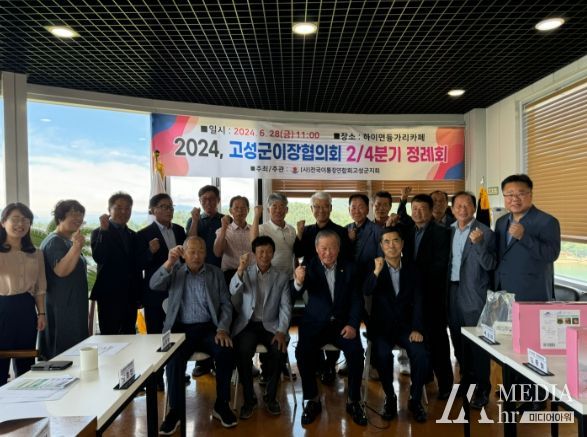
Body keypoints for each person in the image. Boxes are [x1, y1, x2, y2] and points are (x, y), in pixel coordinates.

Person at [151, 236, 236, 433]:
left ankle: (222, 405)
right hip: (181, 329)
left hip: (209, 328)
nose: (196, 256)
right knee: (173, 358)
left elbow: (226, 304)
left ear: (206, 253)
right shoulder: (175, 272)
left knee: (225, 351)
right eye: (192, 252)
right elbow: (154, 284)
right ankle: (175, 411)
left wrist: (222, 328)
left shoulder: (215, 273)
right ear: (184, 254)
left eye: (200, 252)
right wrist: (169, 262)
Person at [293, 230, 366, 427]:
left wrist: (353, 324)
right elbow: (294, 293)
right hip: (315, 324)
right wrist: (298, 282)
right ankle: (312, 399)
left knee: (356, 353)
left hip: (343, 325)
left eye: (332, 248)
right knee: (303, 353)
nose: (328, 252)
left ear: (339, 248)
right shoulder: (308, 267)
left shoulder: (350, 268)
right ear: (317, 249)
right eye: (323, 248)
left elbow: (357, 300)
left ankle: (353, 400)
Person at [363, 227, 429, 422]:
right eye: (386, 241)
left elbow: (419, 301)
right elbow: (366, 291)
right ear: (381, 245)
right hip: (381, 328)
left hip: (407, 327)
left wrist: (417, 328)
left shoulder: (413, 268)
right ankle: (390, 397)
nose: (391, 245)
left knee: (420, 353)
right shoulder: (373, 266)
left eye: (395, 241)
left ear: (402, 244)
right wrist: (376, 272)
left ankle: (415, 399)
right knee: (383, 354)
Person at [230, 236, 291, 419]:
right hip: (248, 324)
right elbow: (233, 293)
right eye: (260, 252)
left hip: (271, 325)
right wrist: (240, 271)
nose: (265, 255)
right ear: (254, 254)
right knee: (242, 352)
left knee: (279, 351)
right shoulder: (245, 272)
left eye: (268, 251)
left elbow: (286, 306)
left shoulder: (281, 277)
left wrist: (281, 330)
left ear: (273, 253)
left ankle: (271, 397)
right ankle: (249, 399)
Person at [293, 191, 350, 384]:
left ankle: (330, 364)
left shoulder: (340, 231)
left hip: (335, 282)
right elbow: (298, 253)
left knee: (335, 321)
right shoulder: (307, 230)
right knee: (315, 322)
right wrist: (299, 234)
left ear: (331, 208)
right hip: (312, 283)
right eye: (316, 207)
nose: (321, 210)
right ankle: (318, 363)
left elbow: (346, 258)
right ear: (311, 209)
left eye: (325, 206)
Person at [402, 194, 453, 399]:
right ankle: (426, 376)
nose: (418, 212)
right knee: (420, 339)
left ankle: (446, 385)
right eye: (414, 208)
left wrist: (414, 277)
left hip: (433, 294)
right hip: (412, 296)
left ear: (431, 211)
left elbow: (441, 264)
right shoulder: (407, 231)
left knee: (438, 340)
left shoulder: (442, 233)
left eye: (422, 208)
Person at [448, 192, 496, 409]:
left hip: (474, 293)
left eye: (467, 205)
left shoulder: (485, 232)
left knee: (477, 343)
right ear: (452, 209)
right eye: (458, 205)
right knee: (458, 339)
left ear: (474, 208)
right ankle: (467, 380)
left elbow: (491, 264)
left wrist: (479, 244)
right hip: (452, 291)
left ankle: (483, 387)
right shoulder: (448, 231)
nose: (462, 209)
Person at [137, 193, 186, 390]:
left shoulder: (180, 230)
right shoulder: (144, 234)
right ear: (153, 210)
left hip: (178, 290)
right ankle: (156, 379)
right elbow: (138, 264)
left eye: (171, 207)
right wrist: (150, 251)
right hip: (155, 293)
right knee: (155, 337)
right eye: (164, 206)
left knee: (176, 334)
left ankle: (176, 374)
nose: (169, 210)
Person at [0, 203, 46, 386]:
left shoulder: (36, 253)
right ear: (3, 222)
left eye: (25, 220)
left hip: (26, 307)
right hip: (2, 306)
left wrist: (41, 313)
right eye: (15, 219)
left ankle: (26, 400)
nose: (21, 224)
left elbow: (40, 287)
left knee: (26, 363)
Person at [494, 174, 561, 301]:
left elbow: (551, 255)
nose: (514, 199)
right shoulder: (501, 222)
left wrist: (524, 237)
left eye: (521, 194)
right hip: (502, 290)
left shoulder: (547, 221)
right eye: (509, 194)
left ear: (530, 194)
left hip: (531, 292)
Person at [39, 200, 89, 359]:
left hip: (73, 306)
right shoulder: (55, 241)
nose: (78, 218)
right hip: (62, 309)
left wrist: (75, 246)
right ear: (60, 217)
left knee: (75, 352)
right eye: (73, 214)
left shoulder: (67, 240)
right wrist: (76, 247)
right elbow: (61, 270)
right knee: (63, 354)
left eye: (80, 215)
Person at [185, 185, 224, 377]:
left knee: (218, 313)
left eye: (212, 199)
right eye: (204, 199)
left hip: (219, 273)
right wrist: (194, 220)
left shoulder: (224, 219)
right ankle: (203, 364)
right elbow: (190, 242)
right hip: (196, 273)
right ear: (200, 201)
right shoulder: (195, 220)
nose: (208, 202)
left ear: (218, 200)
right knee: (202, 313)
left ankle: (219, 360)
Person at [90, 192, 142, 335]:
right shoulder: (99, 232)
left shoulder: (133, 235)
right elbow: (99, 257)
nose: (124, 212)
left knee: (129, 335)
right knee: (109, 337)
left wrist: (138, 295)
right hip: (109, 296)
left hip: (130, 296)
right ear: (109, 210)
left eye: (127, 208)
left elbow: (136, 266)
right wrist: (104, 231)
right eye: (119, 208)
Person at [251, 193, 296, 278]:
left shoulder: (292, 229)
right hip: (270, 277)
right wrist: (257, 215)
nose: (278, 210)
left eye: (281, 206)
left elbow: (294, 253)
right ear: (268, 210)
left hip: (289, 277)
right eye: (274, 206)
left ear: (286, 210)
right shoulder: (262, 228)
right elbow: (253, 242)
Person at [214, 195, 254, 285]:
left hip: (251, 273)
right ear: (230, 211)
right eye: (236, 208)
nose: (240, 211)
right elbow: (217, 253)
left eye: (243, 208)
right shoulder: (222, 230)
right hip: (230, 273)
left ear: (248, 210)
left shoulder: (254, 230)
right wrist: (224, 228)